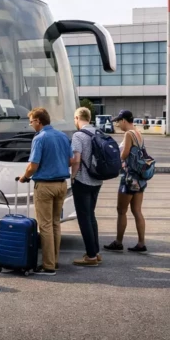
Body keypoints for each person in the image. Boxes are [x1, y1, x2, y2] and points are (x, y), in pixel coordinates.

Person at [18, 107, 72, 275]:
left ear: (39, 121)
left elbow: (33, 165)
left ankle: (48, 266)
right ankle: (54, 260)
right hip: (62, 185)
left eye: (32, 121)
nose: (31, 124)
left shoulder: (39, 138)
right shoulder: (62, 136)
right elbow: (70, 161)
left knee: (45, 226)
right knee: (56, 223)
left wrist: (24, 177)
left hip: (45, 186)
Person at [104, 110, 148, 253]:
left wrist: (115, 159)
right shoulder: (138, 133)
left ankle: (118, 242)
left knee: (121, 210)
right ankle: (141, 243)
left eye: (118, 121)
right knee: (137, 210)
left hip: (129, 178)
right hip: (140, 178)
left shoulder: (128, 134)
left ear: (124, 120)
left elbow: (125, 153)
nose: (117, 124)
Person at [70, 106, 104, 267]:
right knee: (91, 215)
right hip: (97, 180)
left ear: (77, 118)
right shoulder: (98, 132)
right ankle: (95, 252)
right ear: (89, 118)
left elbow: (76, 160)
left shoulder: (78, 135)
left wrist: (72, 176)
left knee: (84, 218)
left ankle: (90, 256)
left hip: (83, 180)